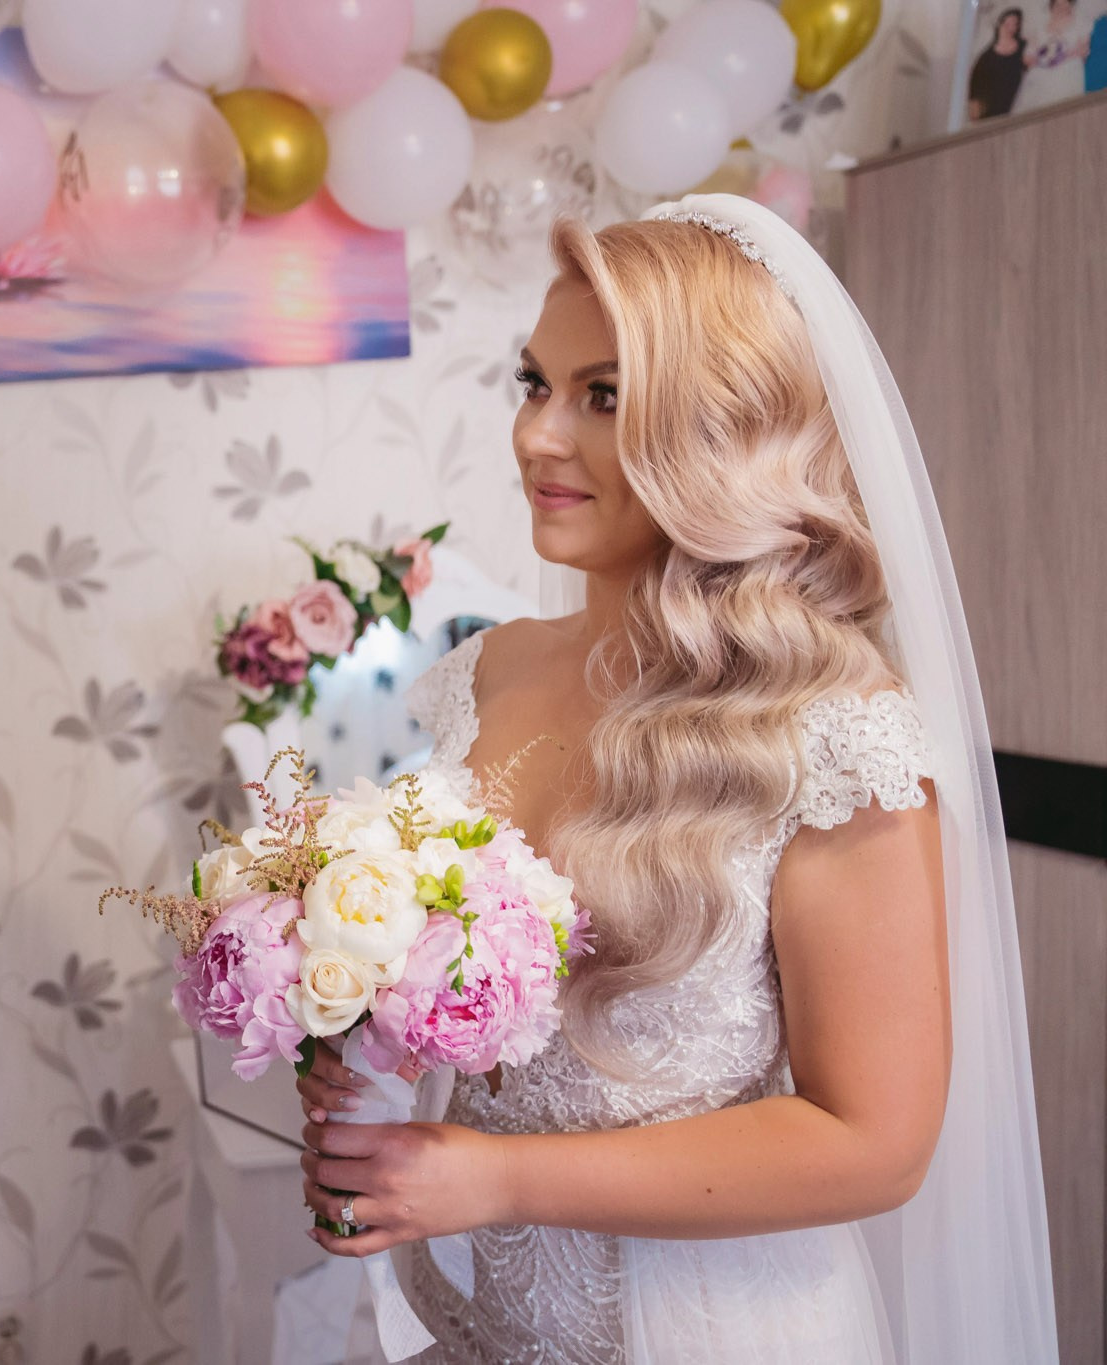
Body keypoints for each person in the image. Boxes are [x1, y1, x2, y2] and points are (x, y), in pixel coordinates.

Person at [295, 195, 1056, 1362]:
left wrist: (496, 1180)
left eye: (601, 395)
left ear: (723, 430)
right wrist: (362, 1056)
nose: (537, 436)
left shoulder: (831, 735)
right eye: (533, 384)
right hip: (478, 1324)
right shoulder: (485, 673)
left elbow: (872, 1143)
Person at [1016, 0, 1092, 111]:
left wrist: (1062, 55)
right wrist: (1041, 59)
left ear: (1071, 6)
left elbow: (1084, 51)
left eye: (1066, 4)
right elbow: (1027, 56)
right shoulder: (1040, 26)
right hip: (1041, 74)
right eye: (1058, 5)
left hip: (1068, 72)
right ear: (1051, 7)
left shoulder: (1080, 24)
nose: (1062, 8)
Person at [967, 7, 1031, 120]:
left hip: (1017, 107)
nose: (1009, 28)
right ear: (999, 25)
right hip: (991, 113)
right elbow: (975, 88)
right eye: (1006, 23)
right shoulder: (986, 57)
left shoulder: (1024, 46)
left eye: (1014, 24)